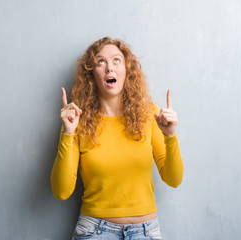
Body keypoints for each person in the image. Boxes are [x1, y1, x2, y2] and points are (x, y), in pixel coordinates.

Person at [50, 37, 184, 240]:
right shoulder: (78, 120)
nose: (109, 68)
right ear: (91, 74)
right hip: (94, 231)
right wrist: (68, 133)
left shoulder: (150, 114)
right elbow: (61, 191)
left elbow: (174, 179)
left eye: (116, 60)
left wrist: (171, 136)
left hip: (145, 232)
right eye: (100, 62)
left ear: (127, 70)